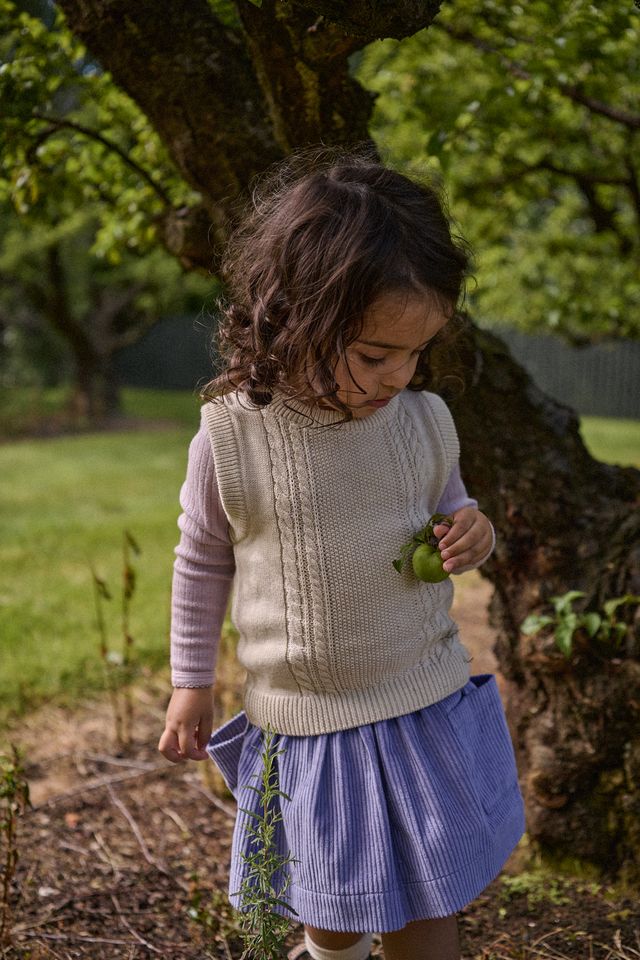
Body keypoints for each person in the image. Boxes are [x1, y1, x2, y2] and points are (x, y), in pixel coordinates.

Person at [158, 151, 525, 960]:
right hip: (312, 721)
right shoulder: (234, 438)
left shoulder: (422, 421)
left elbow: (451, 505)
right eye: (373, 355)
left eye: (416, 353)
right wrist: (191, 684)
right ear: (292, 316)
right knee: (335, 901)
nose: (399, 375)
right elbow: (202, 561)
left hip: (418, 693)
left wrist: (473, 530)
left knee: (429, 897)